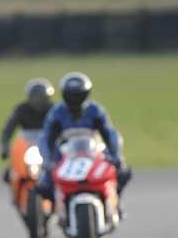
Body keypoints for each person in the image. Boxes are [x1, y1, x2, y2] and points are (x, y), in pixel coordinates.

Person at [36, 72, 132, 202]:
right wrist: (48, 162)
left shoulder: (95, 110)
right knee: (45, 183)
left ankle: (114, 202)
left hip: (93, 151)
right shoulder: (56, 113)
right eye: (72, 95)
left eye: (78, 95)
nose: (75, 99)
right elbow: (46, 138)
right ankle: (58, 208)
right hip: (66, 153)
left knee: (121, 173)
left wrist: (117, 157)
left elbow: (110, 134)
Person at [0, 77, 55, 167]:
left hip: (46, 143)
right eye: (36, 98)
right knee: (11, 172)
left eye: (41, 98)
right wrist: (4, 147)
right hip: (26, 143)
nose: (38, 101)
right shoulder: (21, 109)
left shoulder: (54, 110)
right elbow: (8, 130)